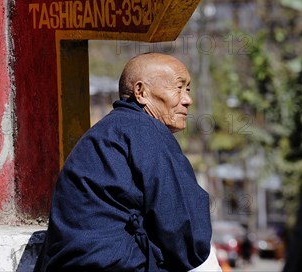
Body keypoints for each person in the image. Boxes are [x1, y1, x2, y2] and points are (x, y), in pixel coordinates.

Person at [36, 53, 221, 271]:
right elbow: (187, 235)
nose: (187, 99)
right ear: (141, 92)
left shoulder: (110, 130)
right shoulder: (144, 131)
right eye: (178, 88)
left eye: (187, 90)